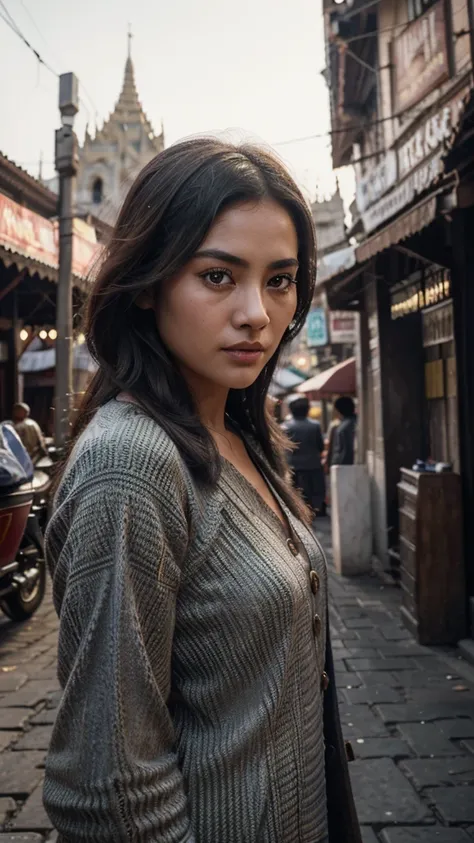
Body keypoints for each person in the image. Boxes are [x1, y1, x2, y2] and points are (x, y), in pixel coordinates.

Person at [44, 138, 361, 843]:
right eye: (219, 276)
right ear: (150, 282)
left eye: (280, 280)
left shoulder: (238, 432)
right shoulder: (130, 463)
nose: (258, 312)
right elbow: (111, 793)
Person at [283, 394, 326, 516]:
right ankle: (315, 512)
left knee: (296, 493)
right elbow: (320, 446)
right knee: (314, 492)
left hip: (293, 466)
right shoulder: (315, 425)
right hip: (313, 465)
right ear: (308, 410)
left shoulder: (285, 426)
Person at [329, 396, 357, 467]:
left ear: (338, 410)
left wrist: (335, 463)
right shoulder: (357, 421)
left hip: (344, 466)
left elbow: (343, 450)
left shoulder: (342, 428)